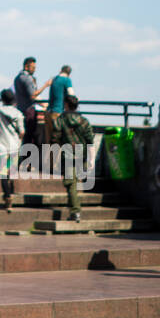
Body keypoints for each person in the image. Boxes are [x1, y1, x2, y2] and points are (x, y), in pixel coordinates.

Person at [51, 92, 93, 223]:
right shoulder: (84, 121)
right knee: (75, 184)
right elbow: (90, 140)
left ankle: (75, 212)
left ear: (66, 105)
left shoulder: (60, 120)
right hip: (82, 155)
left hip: (68, 156)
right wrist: (91, 160)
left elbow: (55, 139)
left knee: (71, 185)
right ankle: (74, 208)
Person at [0, 88, 24, 209]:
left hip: (0, 146)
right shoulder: (18, 113)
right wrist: (19, 141)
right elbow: (22, 131)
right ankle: (10, 195)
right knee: (11, 172)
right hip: (14, 146)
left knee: (3, 174)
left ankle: (7, 197)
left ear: (1, 99)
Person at [14, 56, 52, 147]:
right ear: (26, 67)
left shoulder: (17, 78)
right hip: (28, 111)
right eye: (33, 67)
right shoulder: (27, 78)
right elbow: (33, 95)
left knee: (25, 138)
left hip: (20, 109)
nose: (34, 70)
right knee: (30, 137)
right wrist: (45, 85)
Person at [45, 65, 73, 144]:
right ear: (69, 73)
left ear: (60, 70)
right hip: (58, 112)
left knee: (48, 142)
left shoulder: (54, 79)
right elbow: (71, 94)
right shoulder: (67, 80)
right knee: (57, 141)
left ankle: (47, 156)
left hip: (48, 112)